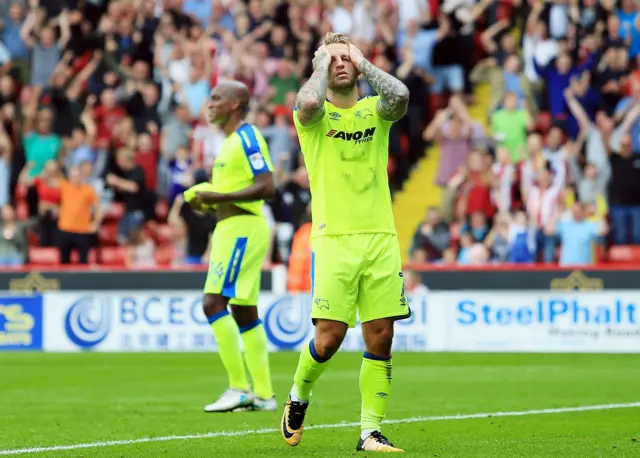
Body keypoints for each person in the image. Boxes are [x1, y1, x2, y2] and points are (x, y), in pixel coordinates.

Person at [281, 32, 410, 453]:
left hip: (380, 238)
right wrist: (321, 62)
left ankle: (369, 432)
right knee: (329, 339)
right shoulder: (314, 118)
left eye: (346, 58)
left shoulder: (376, 110)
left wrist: (364, 60)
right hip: (333, 239)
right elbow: (308, 103)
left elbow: (401, 95)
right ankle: (299, 395)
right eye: (332, 58)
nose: (341, 63)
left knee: (381, 334)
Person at [183, 81, 276, 413]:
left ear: (236, 104)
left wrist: (216, 197)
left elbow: (267, 186)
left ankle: (239, 388)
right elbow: (233, 190)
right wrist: (204, 201)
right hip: (231, 226)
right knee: (243, 310)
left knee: (212, 303)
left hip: (242, 229)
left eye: (217, 98)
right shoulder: (227, 144)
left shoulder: (247, 137)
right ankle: (264, 395)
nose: (210, 104)